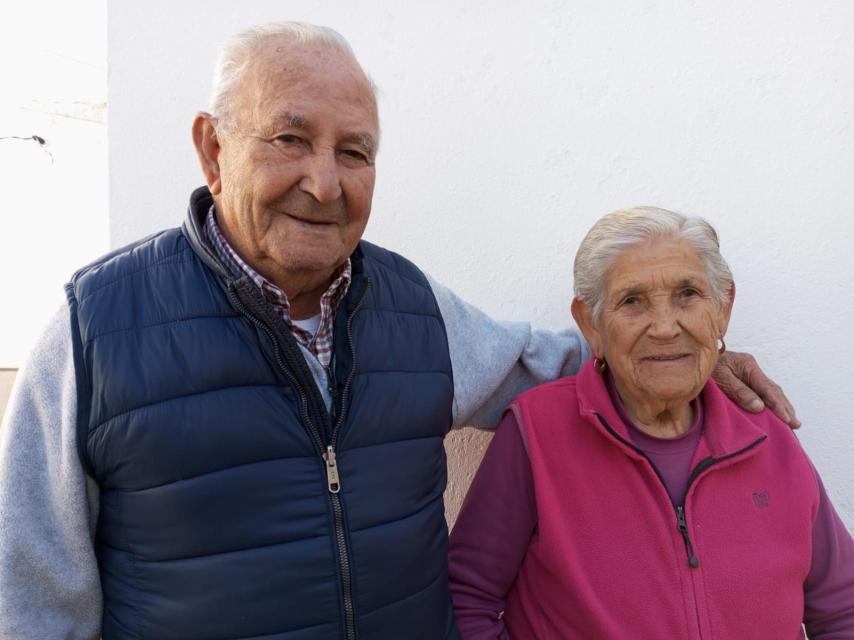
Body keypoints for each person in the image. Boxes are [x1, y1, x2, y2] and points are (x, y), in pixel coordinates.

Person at [0, 23, 796, 640]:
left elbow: (553, 364)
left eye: (355, 152)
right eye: (290, 139)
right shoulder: (94, 330)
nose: (323, 181)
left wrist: (684, 357)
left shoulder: (417, 310)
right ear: (213, 148)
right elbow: (35, 603)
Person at [448, 206, 854, 639]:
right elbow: (467, 598)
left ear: (723, 309)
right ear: (592, 325)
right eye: (632, 301)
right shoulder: (536, 431)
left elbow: (843, 608)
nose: (664, 327)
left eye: (688, 295)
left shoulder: (766, 435)